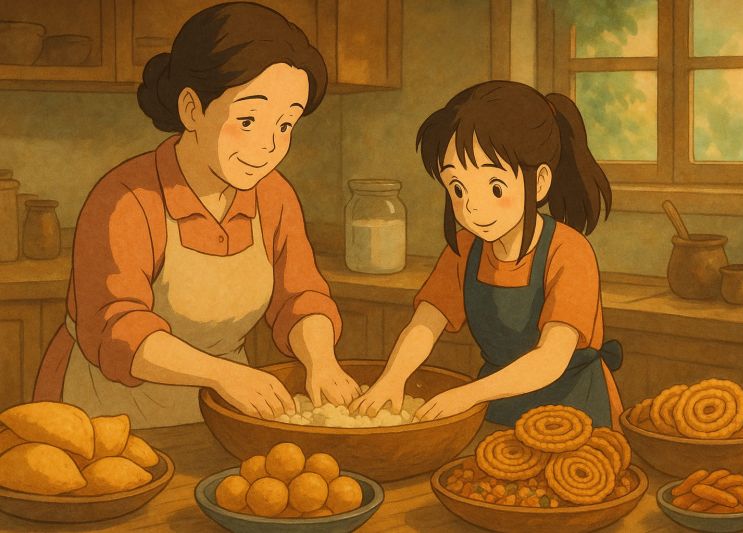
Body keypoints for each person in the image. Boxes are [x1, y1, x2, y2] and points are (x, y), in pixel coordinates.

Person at [33, 2, 360, 428]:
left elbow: (299, 298)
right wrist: (223, 374)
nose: (267, 147)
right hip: (108, 415)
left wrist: (321, 361)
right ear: (191, 108)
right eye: (248, 120)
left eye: (284, 126)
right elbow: (117, 328)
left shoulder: (273, 196)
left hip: (223, 408)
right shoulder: (128, 197)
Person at [351, 81, 624, 429]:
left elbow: (551, 358)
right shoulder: (465, 248)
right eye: (458, 188)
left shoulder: (568, 251)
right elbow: (424, 324)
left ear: (539, 182)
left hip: (574, 412)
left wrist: (469, 395)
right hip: (497, 409)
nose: (473, 207)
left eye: (495, 187)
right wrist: (393, 378)